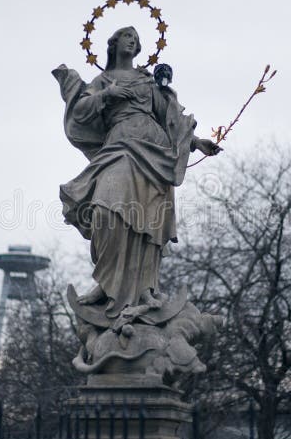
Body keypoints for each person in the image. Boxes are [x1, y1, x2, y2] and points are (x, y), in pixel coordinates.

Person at [55, 26, 220, 323]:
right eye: (126, 37)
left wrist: (195, 142)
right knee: (105, 212)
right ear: (113, 44)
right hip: (118, 146)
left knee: (146, 222)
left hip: (153, 151)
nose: (131, 41)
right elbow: (80, 111)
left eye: (136, 39)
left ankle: (144, 287)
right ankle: (107, 284)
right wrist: (108, 94)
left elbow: (168, 117)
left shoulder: (148, 81)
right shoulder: (103, 80)